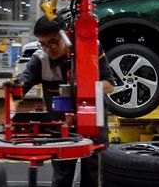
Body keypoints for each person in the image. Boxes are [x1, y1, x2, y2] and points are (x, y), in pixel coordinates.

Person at [15, 16, 115, 187]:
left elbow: (110, 85)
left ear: (66, 34)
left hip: (93, 123)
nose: (49, 48)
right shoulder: (40, 58)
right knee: (62, 177)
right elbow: (19, 87)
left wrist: (84, 88)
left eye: (53, 42)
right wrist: (10, 103)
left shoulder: (91, 49)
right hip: (60, 127)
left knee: (93, 175)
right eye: (43, 44)